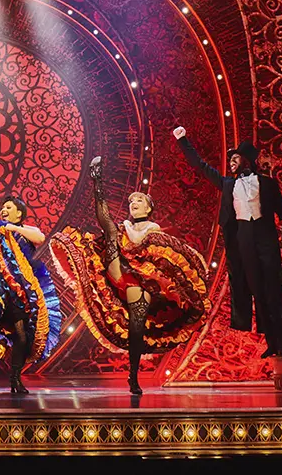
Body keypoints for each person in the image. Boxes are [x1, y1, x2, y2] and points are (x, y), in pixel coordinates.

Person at [49, 157, 209, 395]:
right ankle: (98, 183)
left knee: (136, 324)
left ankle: (133, 375)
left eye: (139, 200)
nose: (134, 202)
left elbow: (168, 258)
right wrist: (98, 186)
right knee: (110, 230)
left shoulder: (154, 230)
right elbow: (108, 225)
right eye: (131, 200)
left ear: (148, 208)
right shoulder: (123, 228)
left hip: (143, 278)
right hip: (120, 268)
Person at [173, 127, 282, 356]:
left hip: (265, 236)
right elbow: (200, 166)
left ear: (246, 161)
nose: (231, 163)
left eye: (235, 158)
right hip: (243, 238)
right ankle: (271, 343)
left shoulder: (267, 183)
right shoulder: (228, 184)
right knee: (256, 290)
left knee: (274, 290)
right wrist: (182, 140)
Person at [0, 168, 62, 395]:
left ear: (19, 214)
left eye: (9, 208)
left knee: (22, 336)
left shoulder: (23, 230)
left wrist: (12, 228)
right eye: (3, 207)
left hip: (20, 291)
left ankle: (15, 377)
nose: (4, 210)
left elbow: (40, 236)